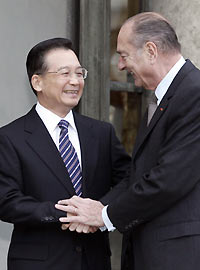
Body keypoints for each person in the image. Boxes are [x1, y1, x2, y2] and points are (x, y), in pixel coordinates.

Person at [55, 12, 200, 270]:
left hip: (177, 256)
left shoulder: (194, 94)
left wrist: (104, 215)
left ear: (151, 50)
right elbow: (139, 174)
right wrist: (99, 207)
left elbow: (168, 181)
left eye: (124, 55)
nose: (120, 66)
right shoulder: (163, 98)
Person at [0, 37, 131, 270]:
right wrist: (66, 212)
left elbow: (129, 180)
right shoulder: (10, 137)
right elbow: (6, 201)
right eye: (65, 73)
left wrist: (99, 212)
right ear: (37, 82)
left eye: (80, 73)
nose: (75, 81)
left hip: (94, 261)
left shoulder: (101, 132)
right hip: (39, 263)